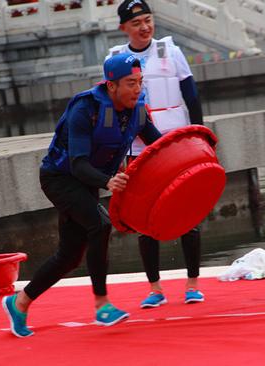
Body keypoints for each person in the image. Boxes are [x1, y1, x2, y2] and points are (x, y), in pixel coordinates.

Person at [2, 53, 162, 337]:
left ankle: (19, 303)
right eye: (130, 83)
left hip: (89, 182)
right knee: (100, 225)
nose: (137, 89)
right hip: (60, 178)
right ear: (111, 86)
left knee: (69, 256)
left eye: (140, 82)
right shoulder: (85, 109)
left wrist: (187, 155)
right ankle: (102, 305)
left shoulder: (137, 109)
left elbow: (158, 146)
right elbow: (77, 163)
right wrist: (108, 182)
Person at [107, 0, 206, 308]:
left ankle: (192, 284)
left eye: (148, 20)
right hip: (139, 151)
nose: (144, 27)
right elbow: (111, 110)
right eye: (137, 23)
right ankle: (155, 288)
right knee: (143, 219)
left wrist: (202, 140)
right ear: (124, 27)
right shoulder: (115, 59)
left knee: (188, 215)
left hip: (178, 148)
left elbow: (192, 97)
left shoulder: (172, 52)